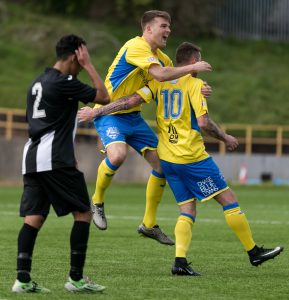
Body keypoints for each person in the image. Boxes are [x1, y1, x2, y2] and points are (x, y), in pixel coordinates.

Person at [78, 42, 283, 276]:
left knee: (187, 209)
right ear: (194, 60)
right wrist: (225, 137)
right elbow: (204, 123)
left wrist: (96, 111)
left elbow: (131, 101)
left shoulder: (159, 83)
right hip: (192, 158)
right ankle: (253, 252)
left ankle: (179, 262)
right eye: (200, 59)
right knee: (229, 200)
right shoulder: (195, 85)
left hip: (168, 160)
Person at [90, 10, 212, 246]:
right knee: (118, 155)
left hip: (134, 118)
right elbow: (160, 75)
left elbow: (169, 87)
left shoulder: (164, 60)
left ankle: (148, 224)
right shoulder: (135, 47)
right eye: (163, 26)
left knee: (162, 165)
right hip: (111, 114)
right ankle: (97, 201)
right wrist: (192, 67)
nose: (168, 30)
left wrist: (199, 88)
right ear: (148, 29)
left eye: (169, 27)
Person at [12, 34, 110, 293]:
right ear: (75, 56)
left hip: (32, 158)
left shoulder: (38, 81)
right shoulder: (65, 82)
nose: (83, 62)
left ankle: (22, 280)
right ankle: (76, 279)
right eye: (82, 57)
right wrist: (89, 66)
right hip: (55, 159)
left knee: (34, 218)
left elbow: (47, 122)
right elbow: (104, 97)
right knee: (84, 213)